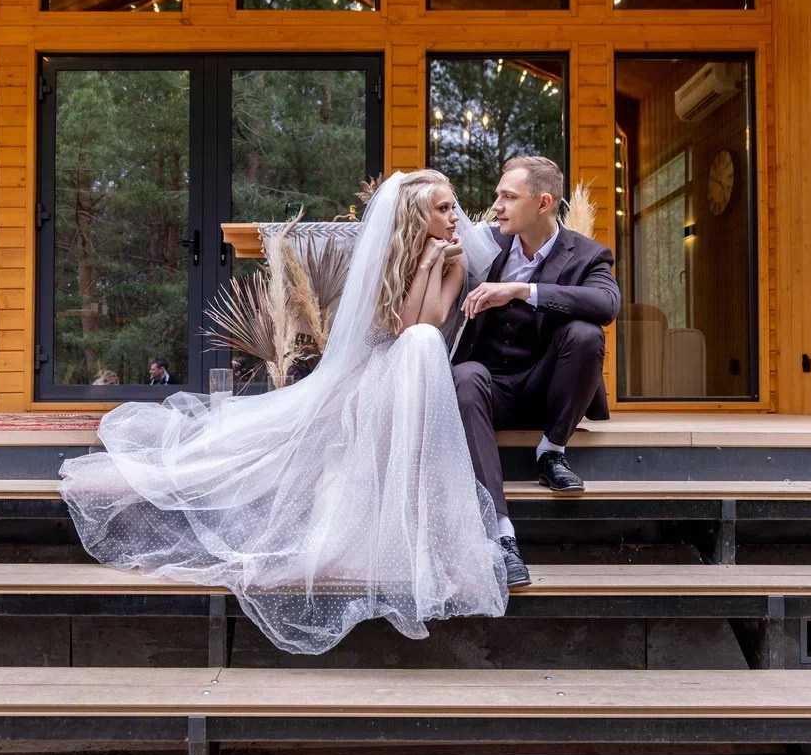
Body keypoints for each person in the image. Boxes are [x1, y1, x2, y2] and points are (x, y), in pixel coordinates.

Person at [60, 170, 508, 655]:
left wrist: (438, 264)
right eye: (442, 209)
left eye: (453, 206)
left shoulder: (456, 259)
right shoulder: (391, 257)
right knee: (239, 457)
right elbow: (398, 326)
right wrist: (422, 265)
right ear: (416, 215)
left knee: (424, 341)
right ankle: (138, 477)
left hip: (415, 376)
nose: (454, 217)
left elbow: (432, 322)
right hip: (370, 375)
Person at [452, 156, 621, 588]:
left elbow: (606, 306)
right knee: (466, 375)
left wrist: (523, 290)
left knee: (585, 334)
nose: (496, 207)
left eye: (508, 197)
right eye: (497, 196)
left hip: (545, 389)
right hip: (486, 390)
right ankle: (501, 538)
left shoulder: (587, 254)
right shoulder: (485, 243)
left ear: (543, 202)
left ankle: (550, 451)